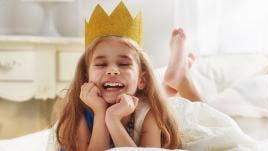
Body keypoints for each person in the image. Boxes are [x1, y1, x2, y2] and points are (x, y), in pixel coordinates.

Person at [55, 2, 184, 151]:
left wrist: (113, 119)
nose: (112, 71)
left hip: (153, 101)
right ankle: (177, 76)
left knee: (178, 100)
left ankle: (180, 72)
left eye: (123, 64)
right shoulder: (77, 114)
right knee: (166, 91)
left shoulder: (148, 114)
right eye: (101, 64)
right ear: (86, 78)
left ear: (142, 80)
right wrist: (100, 112)